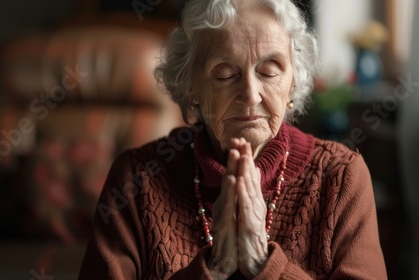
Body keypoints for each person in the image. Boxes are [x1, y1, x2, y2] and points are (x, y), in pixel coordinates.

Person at [78, 0, 387, 278]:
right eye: (225, 74)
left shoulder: (341, 176)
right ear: (191, 87)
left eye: (269, 71)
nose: (250, 95)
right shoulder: (137, 180)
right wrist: (212, 268)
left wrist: (263, 265)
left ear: (293, 83)